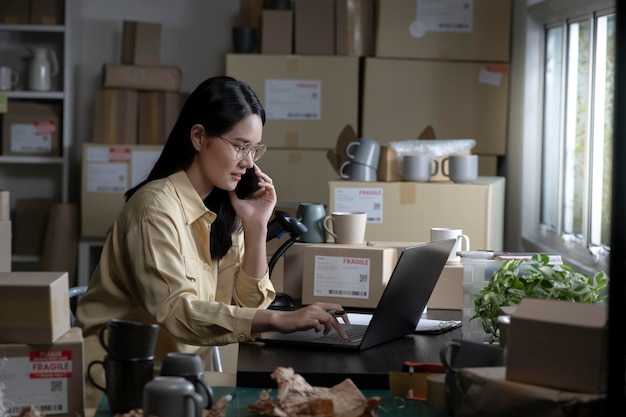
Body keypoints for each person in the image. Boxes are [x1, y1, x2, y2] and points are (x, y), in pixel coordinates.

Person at [75, 76, 348, 406]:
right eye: (239, 146)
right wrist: (281, 319)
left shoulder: (223, 208)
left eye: (253, 149)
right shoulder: (154, 209)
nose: (248, 162)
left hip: (177, 379)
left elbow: (245, 311)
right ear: (199, 137)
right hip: (114, 385)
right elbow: (177, 313)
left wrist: (256, 227)